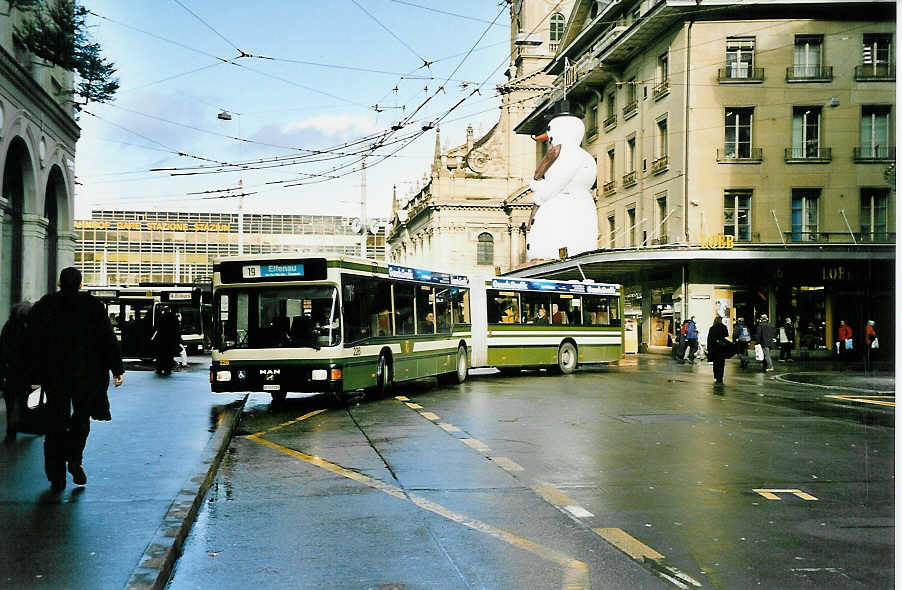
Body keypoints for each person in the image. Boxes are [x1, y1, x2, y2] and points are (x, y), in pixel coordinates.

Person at [28, 267, 124, 492]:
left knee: (55, 423)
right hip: (86, 375)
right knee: (81, 419)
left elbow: (32, 342)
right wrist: (117, 369)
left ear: (60, 282)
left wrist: (33, 376)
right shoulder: (93, 307)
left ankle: (56, 476)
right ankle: (74, 458)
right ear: (81, 284)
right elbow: (107, 340)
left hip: (54, 375)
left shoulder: (45, 305)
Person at [0, 301, 32, 443]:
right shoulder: (30, 327)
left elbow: (3, 350)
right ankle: (27, 425)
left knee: (11, 400)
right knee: (26, 400)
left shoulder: (8, 327)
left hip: (12, 370)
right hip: (26, 371)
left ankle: (11, 430)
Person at [153, 306, 181, 376]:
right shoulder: (174, 317)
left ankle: (159, 369)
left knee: (160, 356)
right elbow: (177, 329)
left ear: (164, 311)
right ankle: (168, 370)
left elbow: (156, 327)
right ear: (170, 310)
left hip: (161, 340)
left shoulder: (161, 317)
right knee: (169, 356)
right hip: (171, 340)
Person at [707, 315, 730, 384]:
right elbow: (726, 335)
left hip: (714, 348)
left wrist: (709, 348)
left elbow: (709, 339)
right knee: (721, 363)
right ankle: (720, 376)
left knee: (715, 363)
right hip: (721, 347)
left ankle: (716, 376)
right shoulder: (723, 327)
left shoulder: (712, 328)